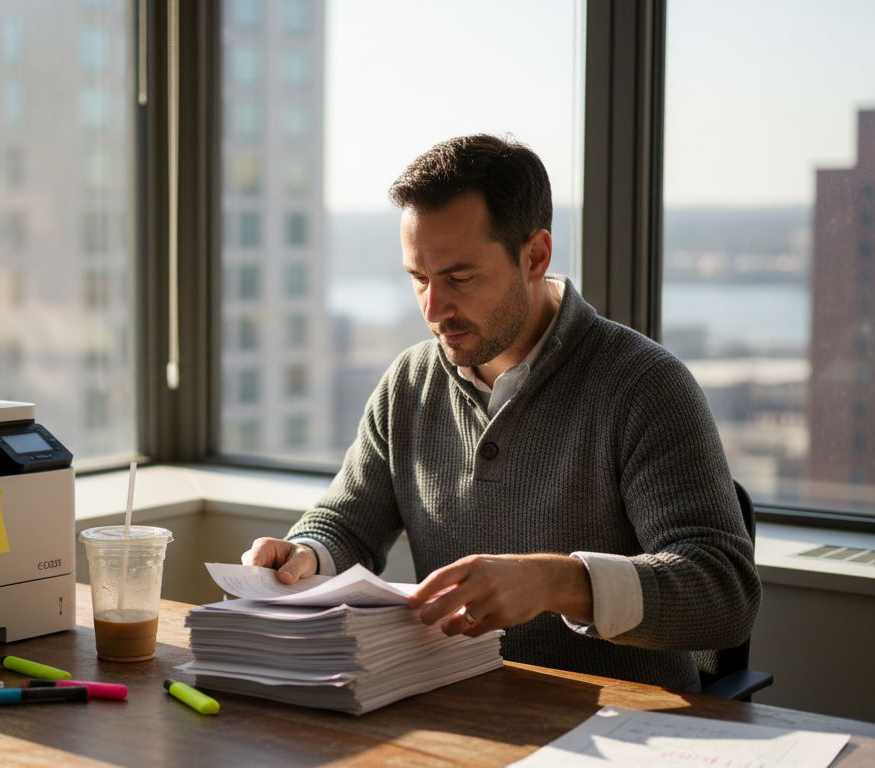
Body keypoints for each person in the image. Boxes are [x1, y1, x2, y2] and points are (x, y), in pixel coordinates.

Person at [242, 134, 760, 691]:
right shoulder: (410, 383)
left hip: (618, 730)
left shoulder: (643, 385)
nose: (434, 309)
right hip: (459, 719)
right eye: (419, 278)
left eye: (459, 278)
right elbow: (347, 523)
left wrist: (555, 582)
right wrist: (305, 555)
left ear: (535, 256)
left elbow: (724, 592)